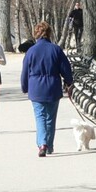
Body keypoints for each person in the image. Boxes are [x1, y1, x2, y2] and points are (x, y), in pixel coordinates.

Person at [20, 21, 74, 157]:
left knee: (40, 117)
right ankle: (48, 145)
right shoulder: (56, 49)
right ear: (49, 33)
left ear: (36, 34)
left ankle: (42, 144)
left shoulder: (31, 51)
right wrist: (69, 83)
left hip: (36, 88)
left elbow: (25, 72)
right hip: (53, 87)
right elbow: (66, 69)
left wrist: (25, 87)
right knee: (50, 117)